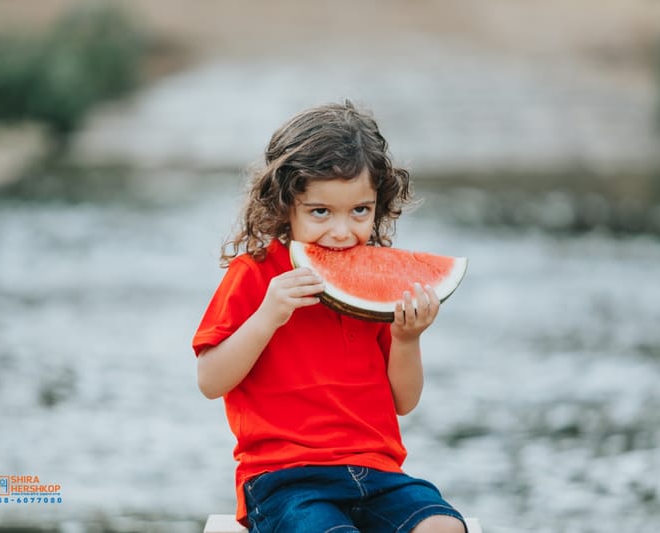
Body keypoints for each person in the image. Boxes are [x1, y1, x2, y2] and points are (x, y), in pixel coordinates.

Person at [192, 100, 466, 533]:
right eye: (321, 212)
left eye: (360, 210)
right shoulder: (255, 275)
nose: (342, 231)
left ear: (379, 205)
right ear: (285, 206)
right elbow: (210, 381)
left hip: (378, 475)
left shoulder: (379, 283)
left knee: (443, 527)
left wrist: (409, 339)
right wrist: (268, 316)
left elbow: (404, 402)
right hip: (285, 480)